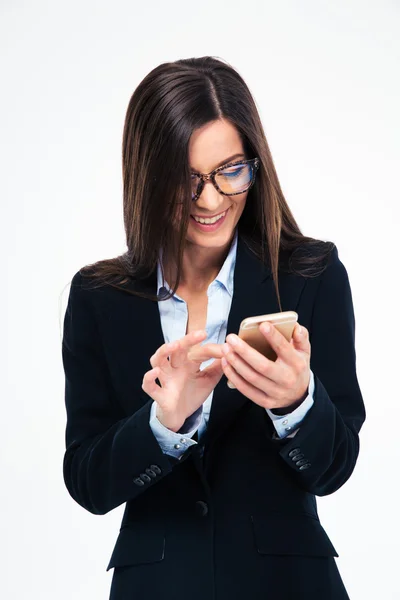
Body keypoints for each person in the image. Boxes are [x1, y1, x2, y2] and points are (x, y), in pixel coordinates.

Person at [61, 56, 366, 600]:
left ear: (255, 164)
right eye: (186, 178)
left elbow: (334, 468)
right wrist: (163, 423)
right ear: (148, 174)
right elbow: (88, 482)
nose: (210, 200)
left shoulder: (310, 276)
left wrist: (297, 403)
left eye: (231, 171)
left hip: (290, 584)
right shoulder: (98, 296)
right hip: (156, 584)